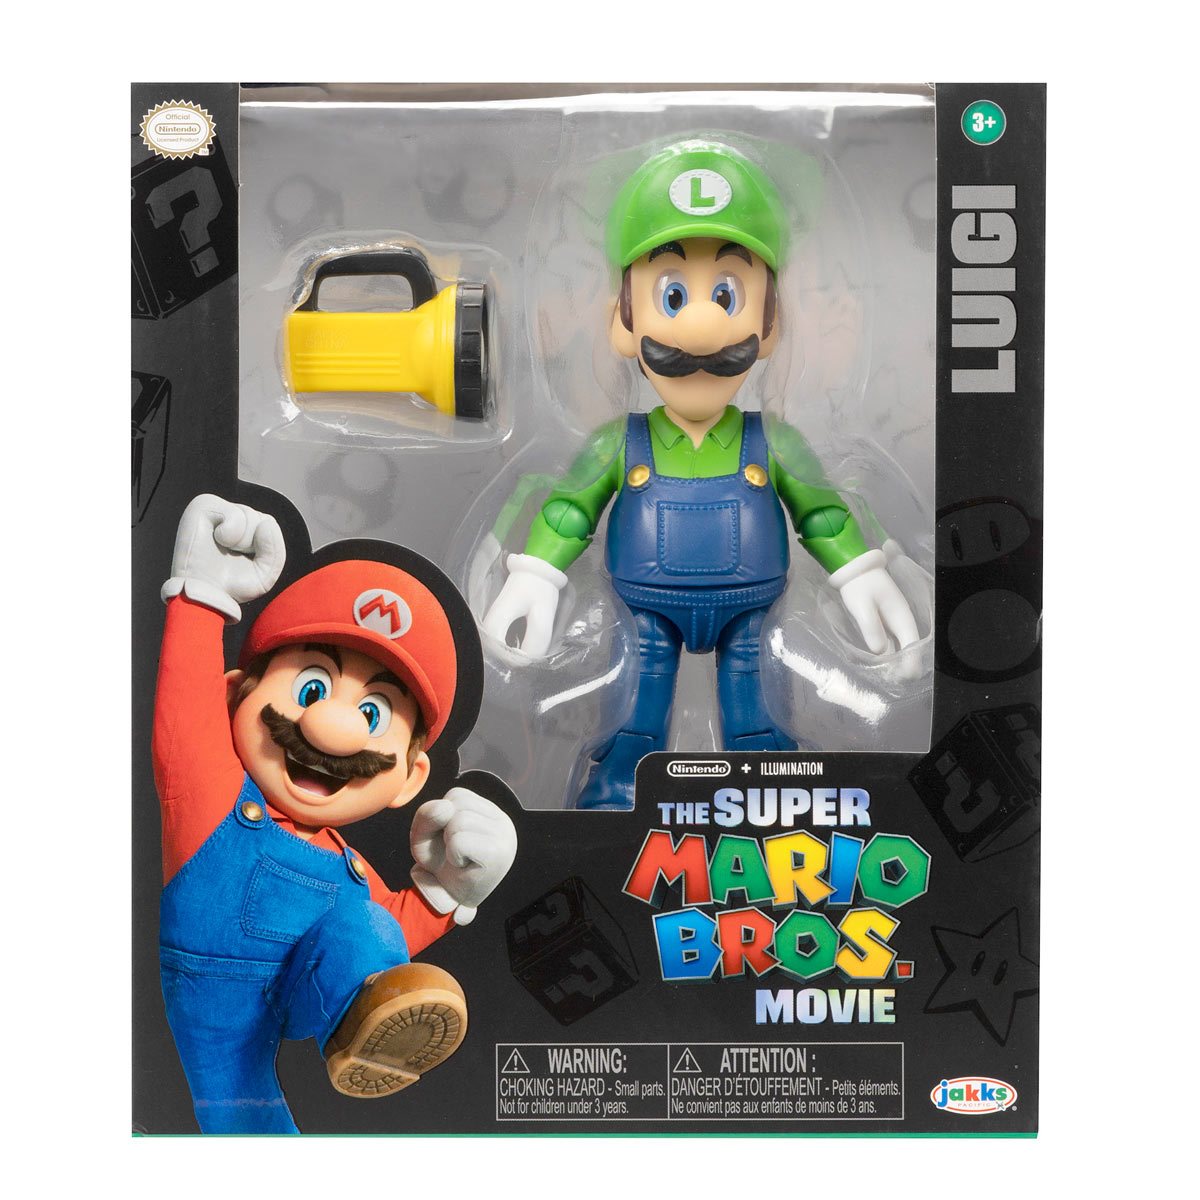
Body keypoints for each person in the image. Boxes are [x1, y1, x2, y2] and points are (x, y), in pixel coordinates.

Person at [484, 141, 917, 810]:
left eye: (726, 294)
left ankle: (767, 792)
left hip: (751, 610)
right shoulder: (617, 443)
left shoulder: (772, 442)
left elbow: (822, 512)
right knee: (635, 713)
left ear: (769, 325)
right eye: (672, 295)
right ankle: (618, 793)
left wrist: (859, 571)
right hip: (645, 609)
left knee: (757, 717)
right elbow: (570, 509)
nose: (701, 326)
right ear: (622, 323)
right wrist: (537, 572)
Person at [154, 493, 517, 1132]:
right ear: (235, 697)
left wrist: (452, 887)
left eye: (373, 712)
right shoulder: (211, 800)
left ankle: (364, 1035)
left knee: (367, 928)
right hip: (213, 994)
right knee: (244, 1118)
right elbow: (182, 715)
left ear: (411, 779)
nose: (336, 729)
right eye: (313, 686)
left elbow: (392, 932)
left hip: (311, 989)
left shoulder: (348, 868)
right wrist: (201, 597)